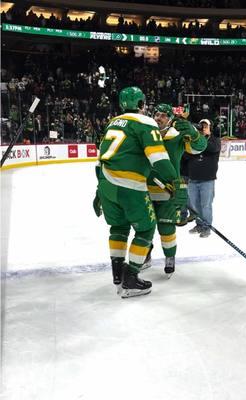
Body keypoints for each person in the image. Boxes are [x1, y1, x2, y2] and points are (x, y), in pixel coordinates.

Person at [93, 87, 178, 298]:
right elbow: (158, 157)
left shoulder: (113, 122)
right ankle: (130, 277)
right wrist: (172, 180)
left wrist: (98, 192)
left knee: (118, 227)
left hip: (106, 185)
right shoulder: (145, 122)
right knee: (146, 229)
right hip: (129, 186)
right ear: (142, 104)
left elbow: (99, 161)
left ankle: (117, 273)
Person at [143, 104, 207, 276]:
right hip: (144, 189)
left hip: (169, 191)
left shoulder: (177, 136)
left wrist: (194, 133)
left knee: (166, 227)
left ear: (170, 119)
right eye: (157, 114)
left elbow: (200, 147)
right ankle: (145, 255)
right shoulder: (145, 134)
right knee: (144, 227)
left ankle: (169, 257)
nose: (158, 118)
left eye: (163, 115)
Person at [187, 119, 221, 237]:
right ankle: (199, 224)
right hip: (192, 178)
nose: (203, 128)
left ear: (210, 128)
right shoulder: (193, 140)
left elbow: (212, 148)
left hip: (207, 179)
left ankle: (207, 227)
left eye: (206, 126)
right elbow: (186, 155)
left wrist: (203, 137)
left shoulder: (215, 140)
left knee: (206, 205)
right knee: (195, 205)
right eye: (201, 126)